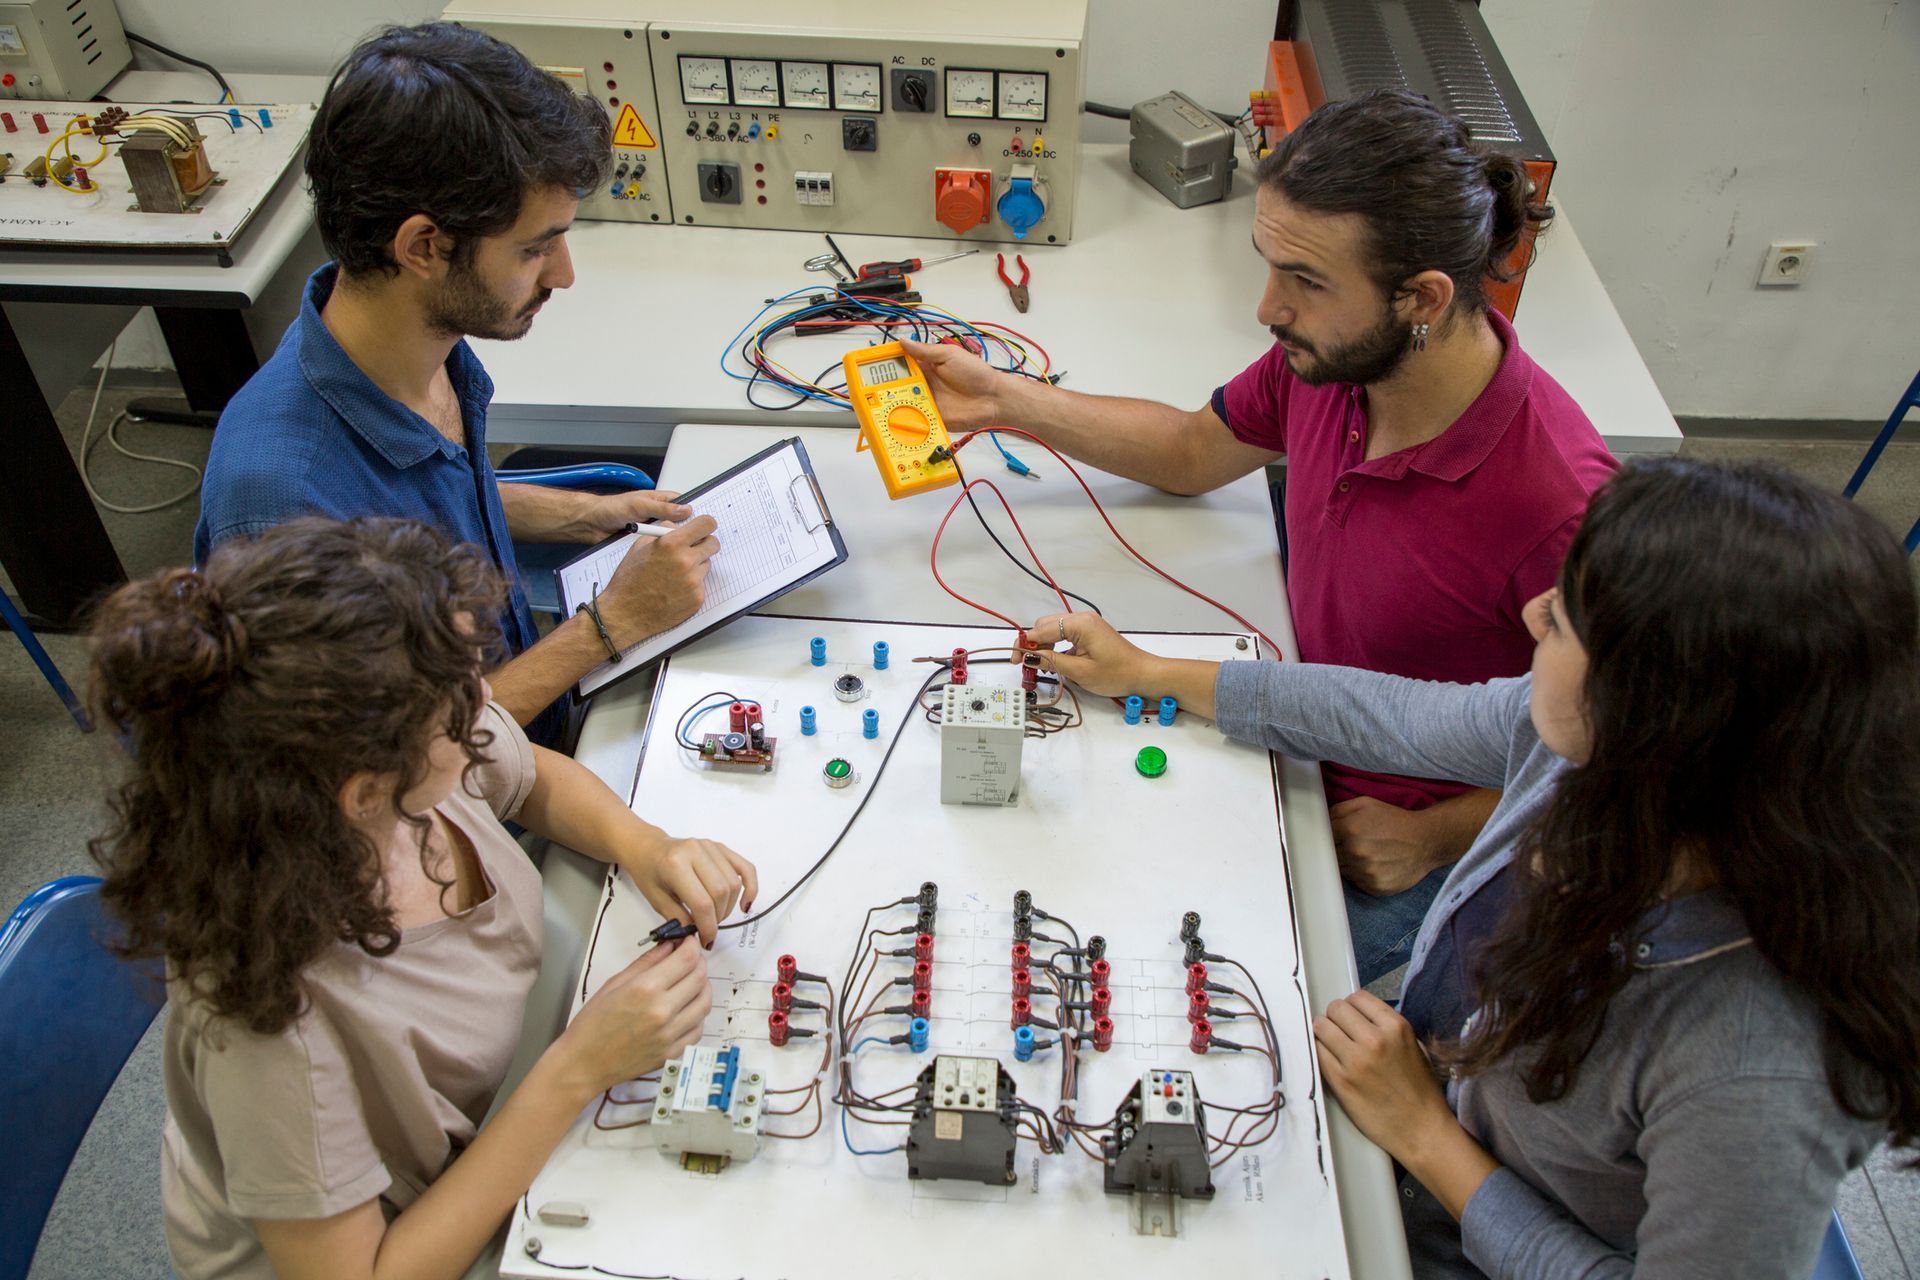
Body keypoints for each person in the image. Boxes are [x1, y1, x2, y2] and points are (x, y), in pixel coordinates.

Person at [1025, 458, 1920, 1276]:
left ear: (1659, 709)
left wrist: (1427, 1139)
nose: (1533, 615)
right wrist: (1156, 671)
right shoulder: (1605, 756)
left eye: (1562, 620)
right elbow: (1396, 717)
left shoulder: (1756, 1070)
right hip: (1426, 1086)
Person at [907, 89, 1618, 985]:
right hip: (1283, 715)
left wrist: (1438, 836)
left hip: (1389, 835)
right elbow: (1193, 450)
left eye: (1306, 282)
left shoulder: (1562, 509)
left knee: (1160, 975)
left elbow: (1631, 767)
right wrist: (1006, 401)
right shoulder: (1330, 361)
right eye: (1268, 263)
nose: (1266, 308)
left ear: (1422, 299)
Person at [89, 517, 759, 1280]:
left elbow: (531, 776)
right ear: (365, 791)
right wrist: (578, 1068)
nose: (483, 698)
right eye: (454, 697)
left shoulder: (410, 781)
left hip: (490, 1118)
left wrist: (645, 844)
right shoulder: (270, 1024)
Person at [195, 23, 716, 746]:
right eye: (535, 248)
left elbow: (421, 502)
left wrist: (582, 517)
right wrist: (610, 624)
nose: (563, 274)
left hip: (526, 722)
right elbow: (400, 758)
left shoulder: (416, 353)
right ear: (423, 246)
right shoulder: (280, 502)